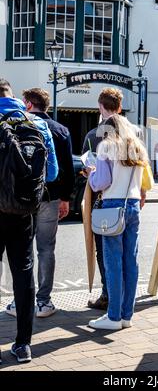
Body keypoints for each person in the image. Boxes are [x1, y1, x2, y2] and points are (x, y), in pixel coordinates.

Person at [0, 79, 58, 363]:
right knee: (24, 272)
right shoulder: (36, 124)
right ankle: (23, 344)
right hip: (24, 211)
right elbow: (52, 173)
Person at [6, 88, 75, 319]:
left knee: (24, 253)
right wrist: (66, 198)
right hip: (51, 196)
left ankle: (20, 302)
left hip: (24, 197)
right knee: (46, 249)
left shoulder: (19, 123)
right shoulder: (61, 130)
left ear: (27, 103)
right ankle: (44, 301)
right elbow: (64, 169)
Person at [86, 113, 150, 330]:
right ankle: (126, 315)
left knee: (112, 262)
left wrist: (91, 174)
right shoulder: (138, 147)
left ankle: (112, 317)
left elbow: (102, 181)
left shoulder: (106, 146)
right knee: (131, 261)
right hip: (132, 205)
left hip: (113, 205)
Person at [82, 88, 124, 311]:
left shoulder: (94, 136)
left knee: (106, 253)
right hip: (130, 199)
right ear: (119, 107)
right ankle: (124, 299)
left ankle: (108, 295)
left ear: (100, 107)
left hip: (104, 201)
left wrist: (90, 173)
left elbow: (97, 179)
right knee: (126, 253)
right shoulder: (134, 133)